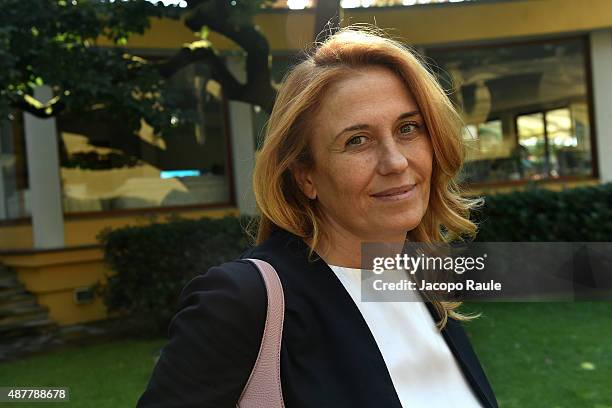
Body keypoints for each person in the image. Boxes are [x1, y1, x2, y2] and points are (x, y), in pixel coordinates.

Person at [136, 26, 498, 408]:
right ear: (305, 176)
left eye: (408, 128)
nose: (395, 161)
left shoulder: (420, 277)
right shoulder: (239, 301)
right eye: (357, 140)